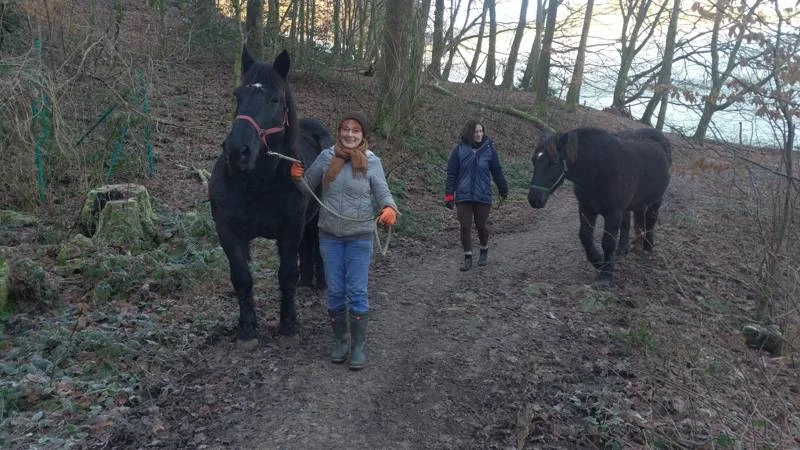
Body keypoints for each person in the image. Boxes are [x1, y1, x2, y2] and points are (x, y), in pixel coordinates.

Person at [290, 111, 397, 370]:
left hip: (360, 237)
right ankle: (340, 339)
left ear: (363, 135)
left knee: (357, 292)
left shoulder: (372, 162)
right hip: (329, 237)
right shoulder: (326, 157)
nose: (350, 134)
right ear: (339, 132)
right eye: (345, 129)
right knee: (336, 292)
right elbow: (308, 187)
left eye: (355, 130)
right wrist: (296, 177)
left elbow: (383, 191)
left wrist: (389, 208)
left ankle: (358, 346)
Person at [443, 119, 508, 271]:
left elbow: (497, 171)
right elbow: (452, 174)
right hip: (464, 196)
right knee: (465, 226)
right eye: (476, 132)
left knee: (481, 226)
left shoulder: (489, 150)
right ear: (469, 133)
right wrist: (449, 195)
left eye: (481, 131)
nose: (479, 134)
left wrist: (503, 188)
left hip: (482, 195)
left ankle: (484, 249)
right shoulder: (459, 150)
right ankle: (468, 256)